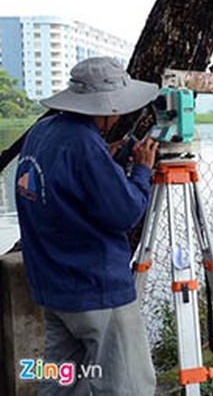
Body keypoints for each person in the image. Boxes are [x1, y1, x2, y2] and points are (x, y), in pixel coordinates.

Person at [15, 57, 159, 395]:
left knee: (63, 382)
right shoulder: (83, 144)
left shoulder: (42, 133)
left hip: (53, 288)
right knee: (127, 385)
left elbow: (63, 187)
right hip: (95, 290)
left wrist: (105, 157)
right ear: (105, 107)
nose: (119, 117)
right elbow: (126, 212)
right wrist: (142, 170)